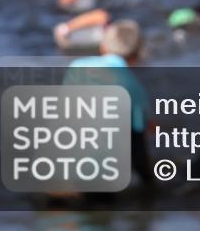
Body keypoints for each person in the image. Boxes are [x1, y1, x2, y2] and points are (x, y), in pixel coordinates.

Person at [64, 21, 153, 185]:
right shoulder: (133, 87)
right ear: (137, 56)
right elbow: (137, 143)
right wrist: (149, 183)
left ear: (103, 47)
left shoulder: (77, 67)